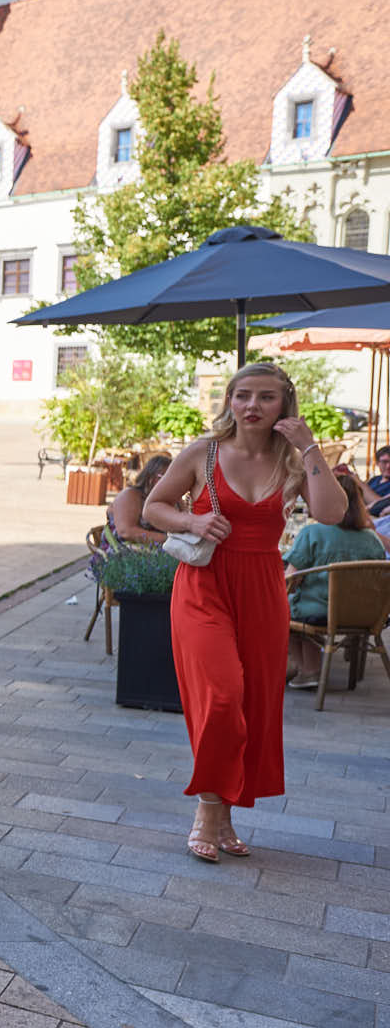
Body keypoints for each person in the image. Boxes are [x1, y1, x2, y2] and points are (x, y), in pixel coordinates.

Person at [144, 362, 344, 863]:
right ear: (229, 401)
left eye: (266, 397)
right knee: (223, 693)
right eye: (243, 396)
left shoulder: (295, 462)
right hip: (203, 587)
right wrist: (192, 517)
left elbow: (332, 514)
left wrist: (311, 446)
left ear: (285, 404)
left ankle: (224, 814)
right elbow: (153, 507)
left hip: (262, 590)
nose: (252, 406)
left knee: (252, 705)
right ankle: (208, 812)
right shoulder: (203, 453)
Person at [284, 471, 389, 689]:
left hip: (321, 611)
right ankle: (308, 664)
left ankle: (308, 669)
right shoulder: (372, 538)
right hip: (365, 613)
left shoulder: (312, 532)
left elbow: (290, 579)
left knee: (280, 609)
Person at [108, 456, 172, 545]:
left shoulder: (167, 499)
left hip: (154, 551)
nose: (171, 482)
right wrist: (170, 540)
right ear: (150, 478)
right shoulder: (130, 495)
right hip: (124, 553)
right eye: (166, 477)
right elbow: (126, 531)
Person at [366, 446, 390, 516]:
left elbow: (380, 505)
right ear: (377, 463)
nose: (388, 466)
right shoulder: (374, 479)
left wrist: (358, 481)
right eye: (384, 462)